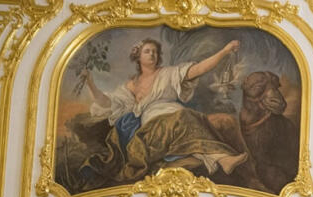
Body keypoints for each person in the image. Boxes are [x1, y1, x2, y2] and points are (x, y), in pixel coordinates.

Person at [80, 38, 250, 184]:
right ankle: (222, 158)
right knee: (184, 116)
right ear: (138, 56)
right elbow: (107, 103)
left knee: (185, 116)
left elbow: (199, 69)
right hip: (153, 125)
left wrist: (224, 51)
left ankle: (222, 159)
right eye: (147, 51)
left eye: (155, 51)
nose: (152, 54)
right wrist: (90, 82)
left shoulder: (169, 73)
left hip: (177, 114)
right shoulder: (131, 85)